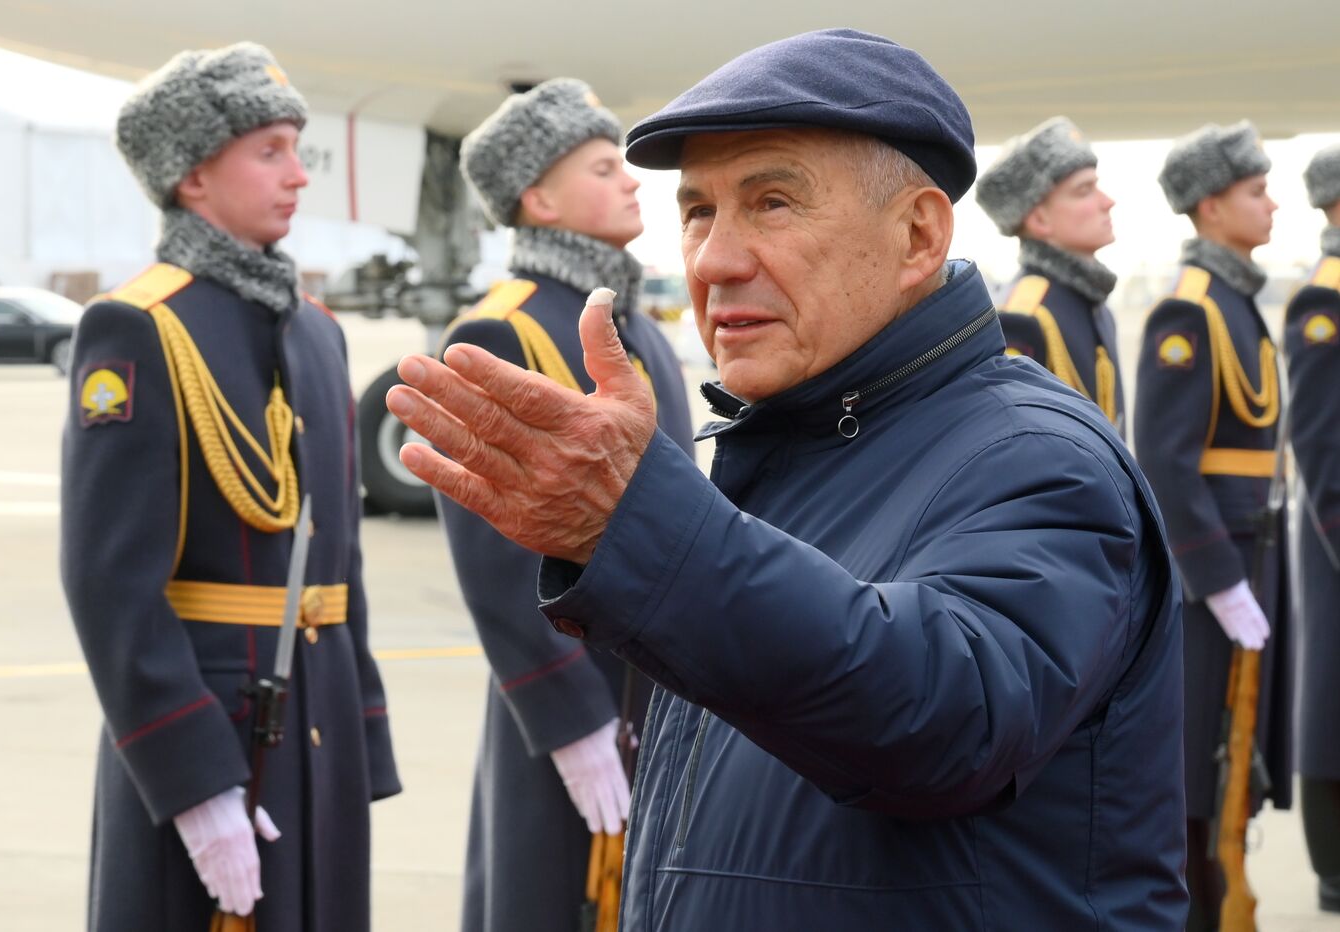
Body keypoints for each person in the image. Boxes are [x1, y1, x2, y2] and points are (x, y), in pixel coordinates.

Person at [386, 29, 1186, 930]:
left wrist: (644, 528)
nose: (713, 261)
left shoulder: (1038, 457)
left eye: (772, 203)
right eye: (697, 212)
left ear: (918, 234)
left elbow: (946, 720)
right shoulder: (787, 447)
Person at [60, 43, 400, 931]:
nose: (298, 175)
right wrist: (193, 783)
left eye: (297, 148)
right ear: (193, 176)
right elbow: (112, 587)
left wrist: (362, 733)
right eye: (269, 151)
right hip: (218, 729)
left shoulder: (316, 333)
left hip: (313, 716)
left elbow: (340, 561)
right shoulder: (140, 327)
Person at [444, 78, 694, 932]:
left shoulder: (636, 326)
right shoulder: (501, 331)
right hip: (571, 696)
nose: (632, 180)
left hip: (655, 683)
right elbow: (492, 558)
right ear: (538, 198)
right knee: (551, 899)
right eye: (602, 166)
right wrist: (570, 718)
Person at [1133, 120, 1290, 931]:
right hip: (1214, 582)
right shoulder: (1190, 311)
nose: (1272, 207)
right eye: (1256, 192)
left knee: (1239, 763)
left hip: (1248, 562)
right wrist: (1220, 584)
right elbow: (1165, 463)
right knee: (1200, 772)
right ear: (1209, 204)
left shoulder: (1235, 299)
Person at [975, 117, 1126, 433]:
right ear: (1039, 219)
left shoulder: (1092, 304)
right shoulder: (1025, 317)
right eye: (1084, 190)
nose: (1107, 202)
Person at [1285, 142, 1340, 914]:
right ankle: (1333, 866)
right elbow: (1323, 444)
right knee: (1332, 699)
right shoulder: (1323, 300)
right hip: (1335, 538)